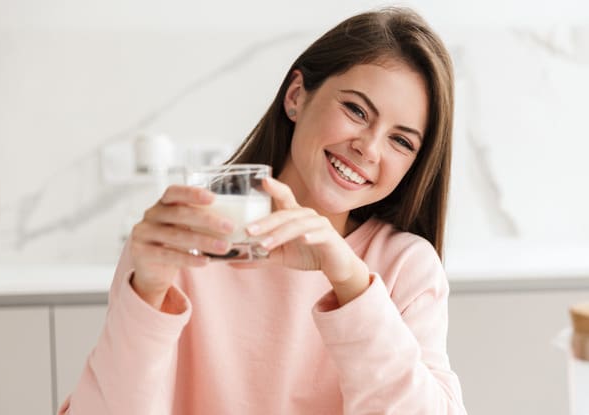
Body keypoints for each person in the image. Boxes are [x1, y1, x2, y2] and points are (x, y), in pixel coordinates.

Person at [59, 6, 466, 414]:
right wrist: (145, 296)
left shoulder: (405, 267)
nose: (369, 148)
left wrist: (350, 281)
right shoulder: (183, 238)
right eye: (356, 110)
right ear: (296, 97)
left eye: (402, 141)